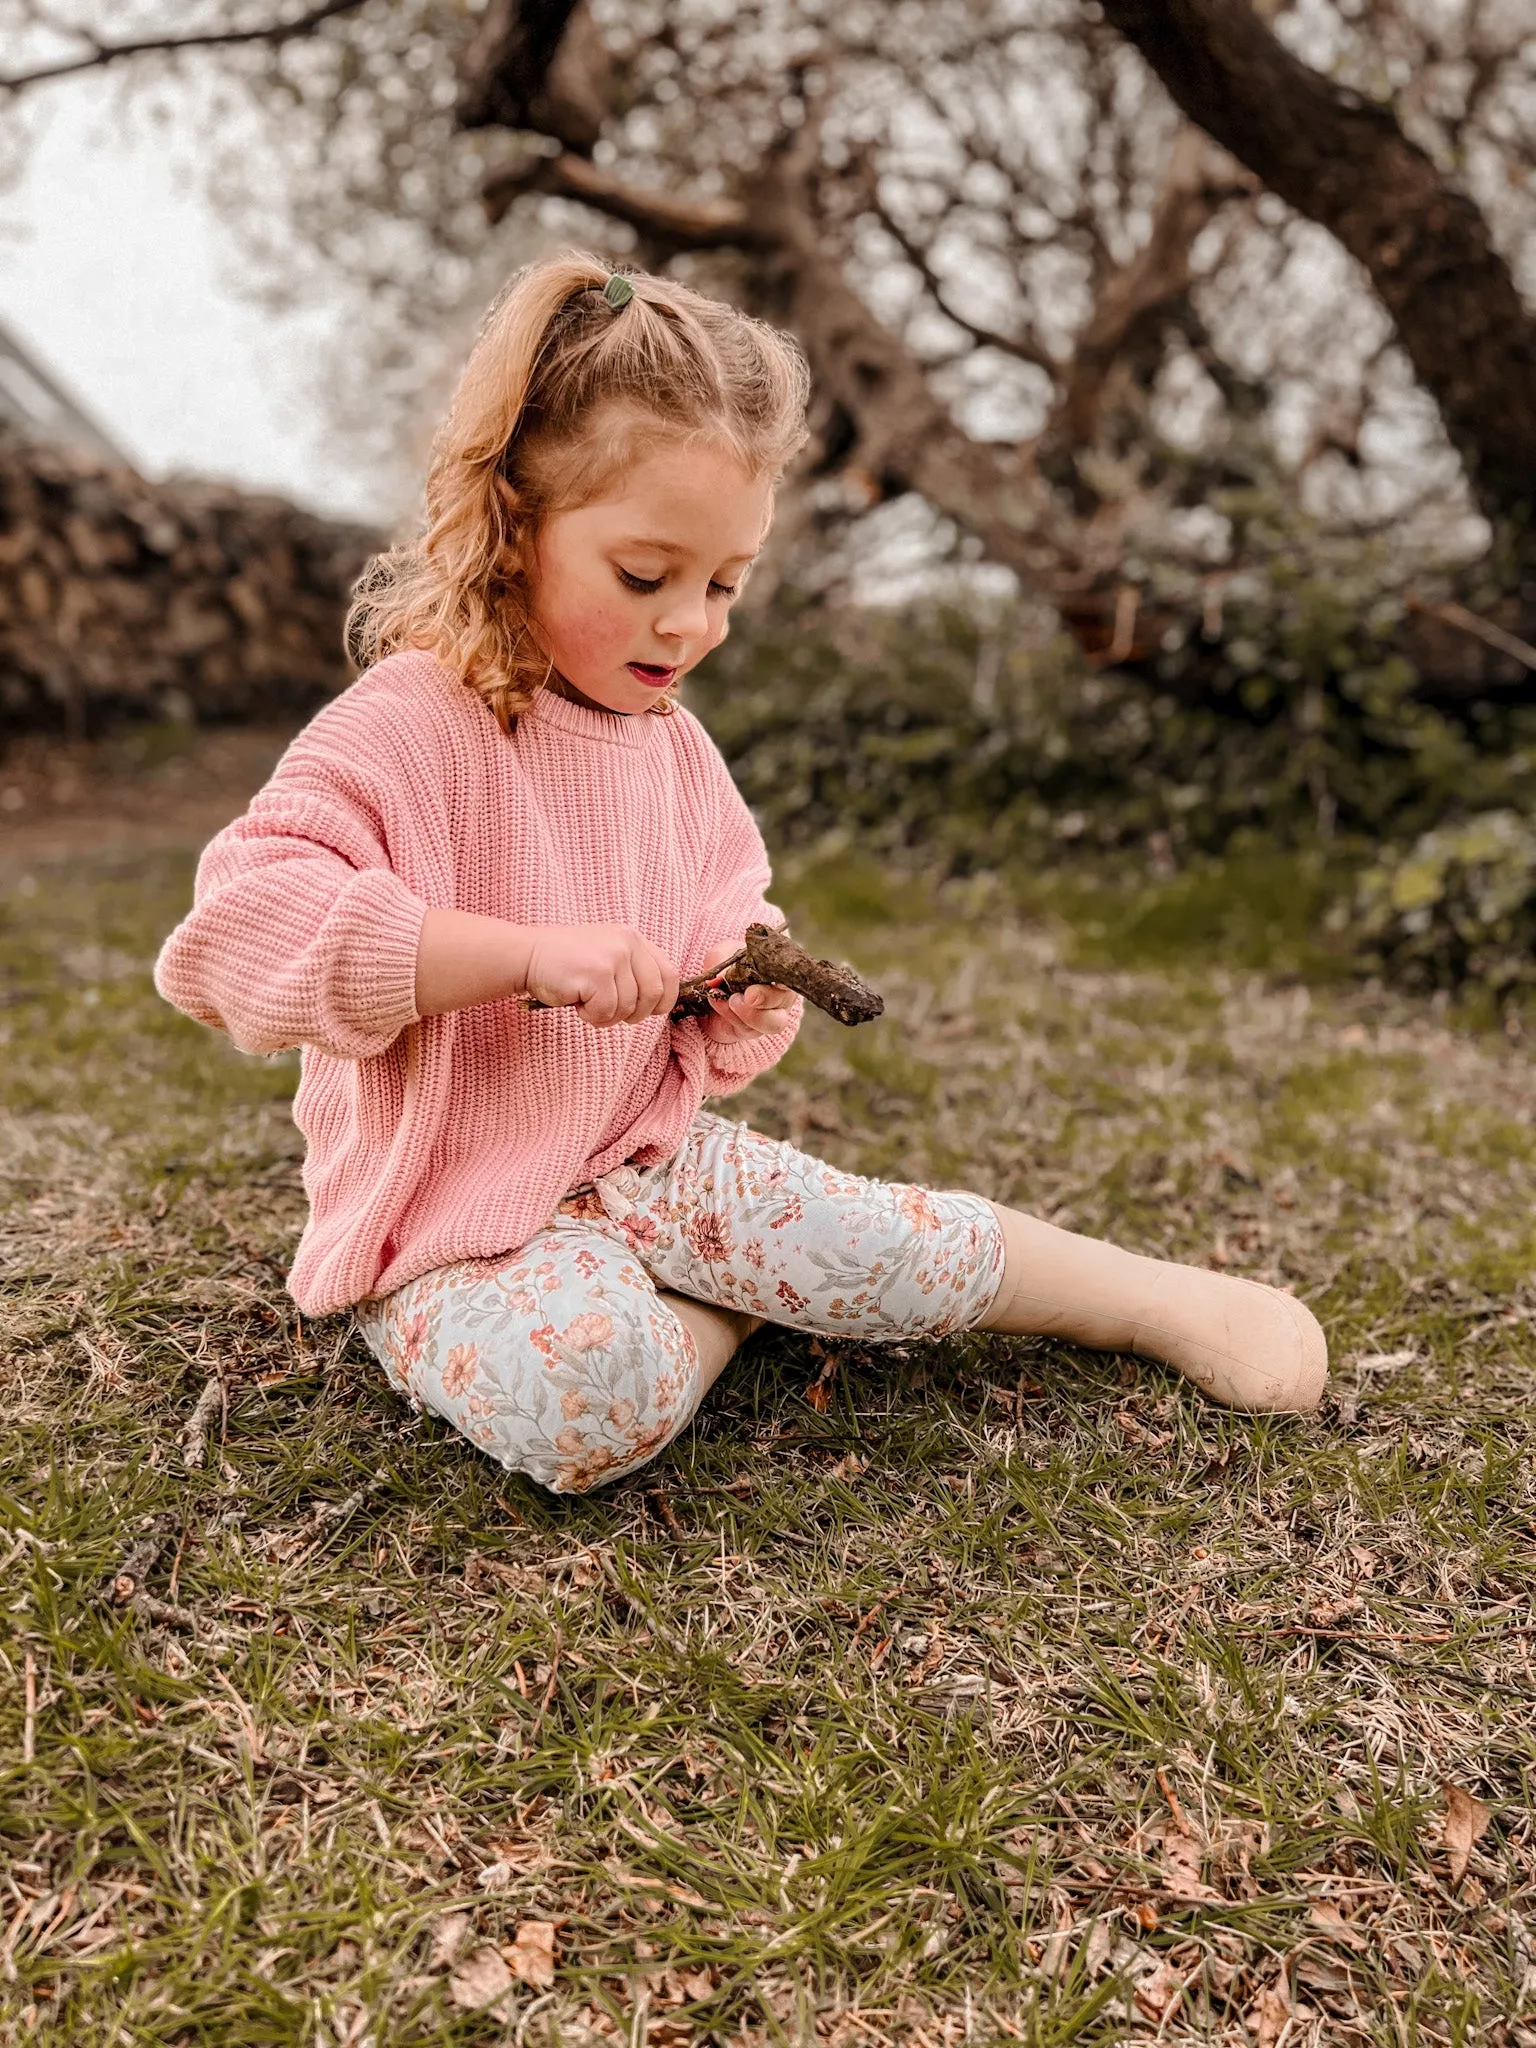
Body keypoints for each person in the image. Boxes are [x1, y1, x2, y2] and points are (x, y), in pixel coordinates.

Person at [155, 253, 1326, 1497]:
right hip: (449, 1227)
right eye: (646, 577)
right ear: (514, 524)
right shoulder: (408, 722)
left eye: (727, 584)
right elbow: (233, 934)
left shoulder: (674, 751)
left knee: (880, 1237)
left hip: (644, 1159)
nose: (691, 625)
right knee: (588, 1401)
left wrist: (736, 996)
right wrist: (514, 956)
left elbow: (720, 918)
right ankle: (743, 1311)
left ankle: (1150, 1300)